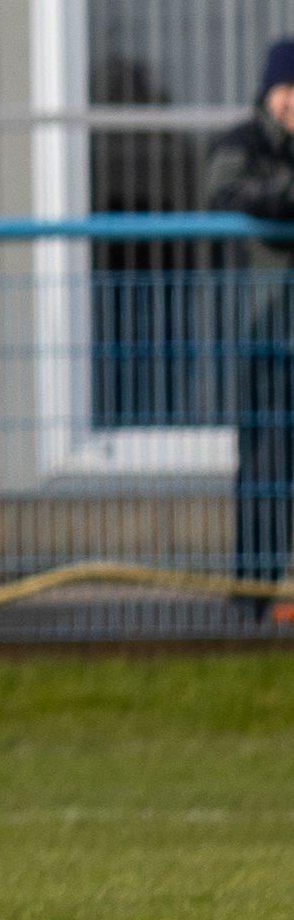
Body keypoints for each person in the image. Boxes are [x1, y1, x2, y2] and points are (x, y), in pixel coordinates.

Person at [203, 36, 294, 617]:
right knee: (266, 466)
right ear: (270, 92)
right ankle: (252, 601)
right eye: (289, 90)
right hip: (268, 332)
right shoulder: (243, 143)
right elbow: (226, 191)